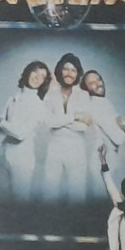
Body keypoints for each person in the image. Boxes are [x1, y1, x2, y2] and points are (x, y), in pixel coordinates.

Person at [41, 51, 95, 201]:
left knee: (77, 193)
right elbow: (48, 122)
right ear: (60, 71)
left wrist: (59, 121)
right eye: (66, 69)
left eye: (73, 70)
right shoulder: (50, 93)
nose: (69, 73)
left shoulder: (83, 95)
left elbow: (83, 127)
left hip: (77, 149)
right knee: (49, 192)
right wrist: (75, 116)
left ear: (77, 74)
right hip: (54, 148)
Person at [0, 60, 50, 200]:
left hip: (22, 159)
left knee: (19, 201)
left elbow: (20, 134)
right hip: (4, 153)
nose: (37, 77)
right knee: (0, 200)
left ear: (44, 82)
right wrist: (2, 124)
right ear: (28, 72)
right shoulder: (12, 99)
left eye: (42, 76)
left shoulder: (39, 105)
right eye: (35, 72)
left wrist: (3, 123)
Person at [82, 68, 125, 194]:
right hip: (104, 162)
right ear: (86, 88)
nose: (98, 84)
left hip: (104, 161)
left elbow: (122, 122)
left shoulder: (102, 102)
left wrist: (123, 125)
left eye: (98, 79)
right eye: (91, 83)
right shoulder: (98, 104)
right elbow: (118, 137)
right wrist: (124, 128)